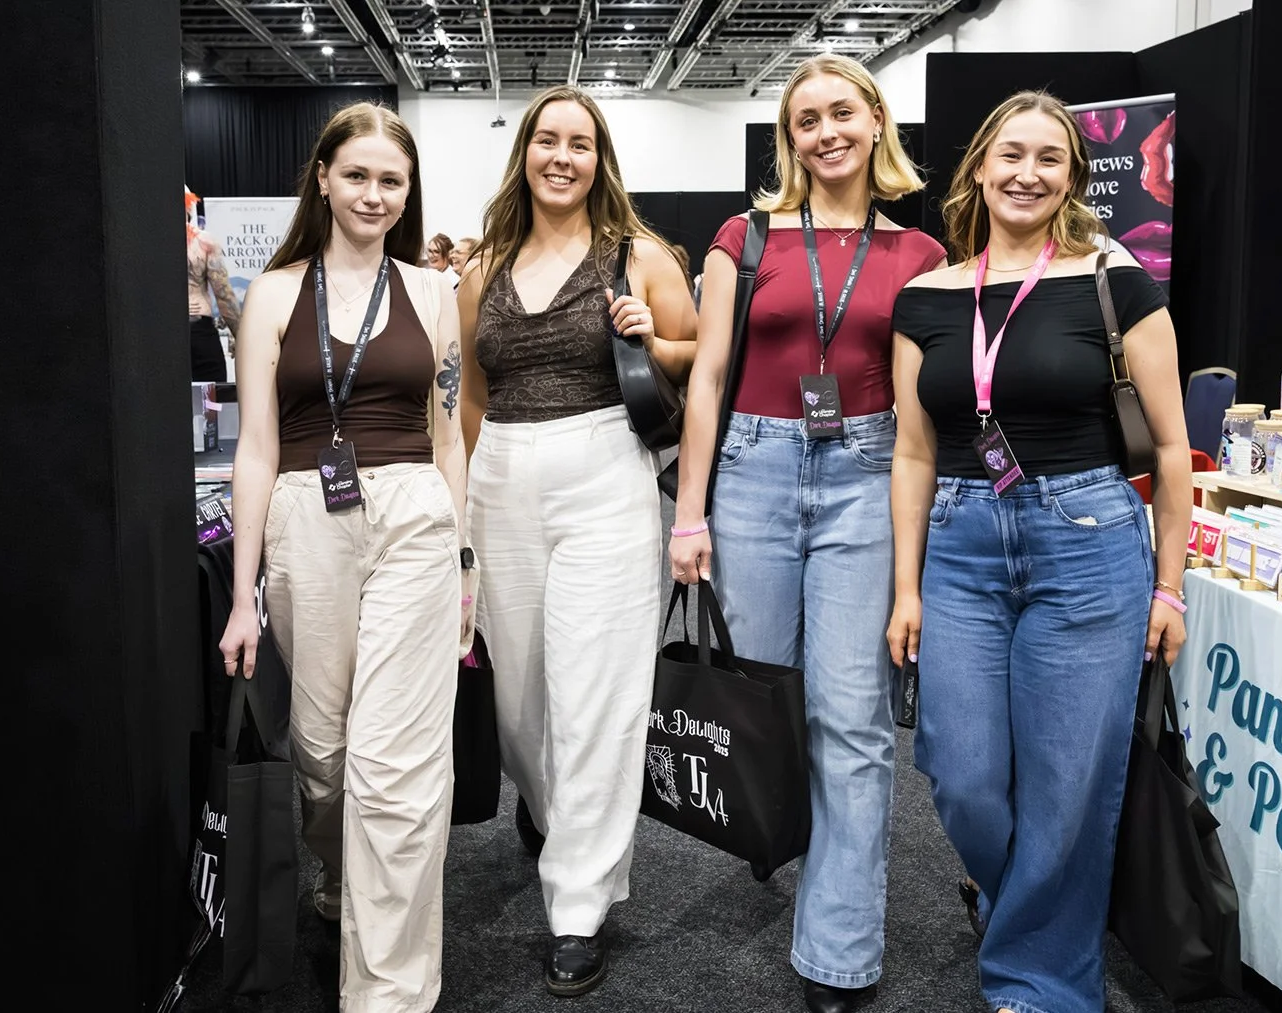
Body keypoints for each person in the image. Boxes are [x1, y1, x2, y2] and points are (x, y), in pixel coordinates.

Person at [886, 90, 1190, 1013]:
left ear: (1072, 176)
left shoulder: (1117, 280)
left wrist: (1169, 588)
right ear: (980, 167)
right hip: (962, 543)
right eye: (1010, 155)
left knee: (1067, 784)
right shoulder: (926, 299)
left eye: (1049, 159)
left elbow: (1173, 449)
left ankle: (1038, 986)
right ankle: (1022, 898)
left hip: (1088, 541)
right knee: (963, 771)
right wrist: (906, 587)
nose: (1027, 173)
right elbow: (912, 449)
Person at [667, 54, 944, 1013]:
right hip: (750, 470)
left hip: (866, 478)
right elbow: (705, 378)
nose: (824, 133)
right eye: (804, 121)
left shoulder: (919, 258)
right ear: (790, 138)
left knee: (853, 719)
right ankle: (778, 829)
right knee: (766, 698)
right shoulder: (743, 238)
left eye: (841, 113)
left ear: (875, 123)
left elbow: (916, 425)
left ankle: (838, 951)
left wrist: (915, 567)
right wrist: (688, 512)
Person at [217, 101, 473, 1012]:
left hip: (413, 514)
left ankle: (388, 992)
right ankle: (337, 879)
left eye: (391, 180)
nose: (373, 193)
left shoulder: (436, 291)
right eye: (356, 174)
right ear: (322, 178)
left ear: (408, 195)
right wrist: (243, 593)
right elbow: (252, 448)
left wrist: (465, 556)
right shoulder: (276, 292)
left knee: (395, 769)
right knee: (323, 753)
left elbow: (450, 436)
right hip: (303, 515)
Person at [457, 84, 697, 998]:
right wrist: (462, 504)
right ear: (525, 152)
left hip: (606, 470)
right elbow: (473, 399)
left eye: (581, 143)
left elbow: (701, 348)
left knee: (597, 692)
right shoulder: (483, 263)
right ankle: (551, 807)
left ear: (601, 161)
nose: (563, 156)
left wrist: (654, 338)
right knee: (520, 700)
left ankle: (578, 905)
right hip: (502, 476)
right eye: (547, 140)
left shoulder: (639, 255)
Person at [186, 187, 242, 382]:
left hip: (162, 331)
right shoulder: (204, 242)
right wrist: (242, 338)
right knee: (211, 403)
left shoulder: (149, 247)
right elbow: (224, 294)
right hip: (199, 331)